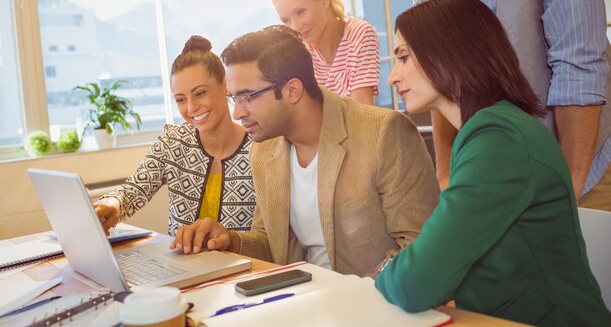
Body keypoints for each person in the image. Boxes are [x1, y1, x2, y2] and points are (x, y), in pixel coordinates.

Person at [375, 0, 611, 327]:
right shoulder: (490, 130)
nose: (393, 77)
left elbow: (417, 282)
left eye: (403, 57)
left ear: (449, 51)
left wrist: (386, 271)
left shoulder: (498, 139)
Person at [360, 0, 611, 209]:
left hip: (588, 167)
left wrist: (565, 191)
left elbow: (577, 72)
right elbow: (441, 85)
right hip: (506, 180)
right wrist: (446, 177)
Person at [169, 25, 440, 276]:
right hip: (301, 303)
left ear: (292, 90)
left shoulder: (383, 133)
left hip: (378, 304)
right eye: (234, 98)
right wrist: (232, 240)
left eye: (247, 97)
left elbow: (424, 251)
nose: (238, 112)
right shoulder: (263, 151)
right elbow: (271, 242)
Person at [94, 36, 256, 236]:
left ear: (225, 85)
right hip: (182, 264)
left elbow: (267, 237)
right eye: (180, 99)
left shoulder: (259, 150)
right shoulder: (172, 142)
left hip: (248, 266)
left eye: (200, 93)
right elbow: (134, 189)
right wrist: (114, 202)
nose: (191, 108)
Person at [272, 0, 380, 106]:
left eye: (300, 12)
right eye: (286, 20)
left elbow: (362, 113)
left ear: (324, 0)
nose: (295, 27)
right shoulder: (302, 53)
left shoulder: (359, 34)